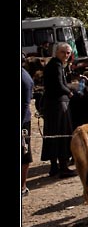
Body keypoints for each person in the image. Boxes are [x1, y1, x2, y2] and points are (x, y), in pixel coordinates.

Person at [41, 42, 76, 178]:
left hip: (52, 104)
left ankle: (54, 167)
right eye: (63, 52)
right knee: (62, 134)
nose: (66, 55)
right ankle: (63, 167)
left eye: (68, 53)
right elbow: (59, 85)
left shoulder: (55, 64)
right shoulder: (56, 65)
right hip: (58, 104)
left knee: (52, 133)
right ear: (56, 52)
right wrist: (69, 91)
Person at [22, 58, 34, 196]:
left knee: (24, 154)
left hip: (23, 122)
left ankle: (22, 187)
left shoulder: (24, 78)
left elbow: (25, 105)